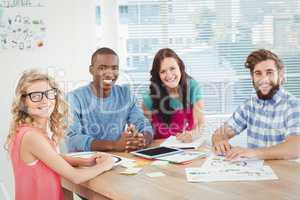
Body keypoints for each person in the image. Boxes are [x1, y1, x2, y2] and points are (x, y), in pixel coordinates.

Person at [5, 69, 114, 200]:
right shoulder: (31, 137)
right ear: (23, 102)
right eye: (35, 95)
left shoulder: (30, 131)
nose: (44, 100)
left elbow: (51, 158)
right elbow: (76, 177)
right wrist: (106, 165)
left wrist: (84, 161)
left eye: (49, 93)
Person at [212, 49, 300, 160]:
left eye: (269, 72)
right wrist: (219, 141)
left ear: (281, 75)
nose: (264, 79)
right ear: (252, 77)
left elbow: (296, 147)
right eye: (258, 73)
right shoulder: (249, 105)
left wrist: (253, 153)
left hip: (284, 174)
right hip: (256, 173)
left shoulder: (293, 106)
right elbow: (221, 133)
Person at [66, 47, 153, 152]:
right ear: (91, 70)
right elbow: (72, 139)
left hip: (119, 159)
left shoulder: (126, 95)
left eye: (114, 68)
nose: (109, 73)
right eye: (102, 68)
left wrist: (142, 139)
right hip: (84, 163)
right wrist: (115, 145)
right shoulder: (74, 98)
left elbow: (143, 124)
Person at [142, 48, 204, 142]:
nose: (169, 75)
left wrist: (193, 135)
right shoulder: (149, 98)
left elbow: (200, 124)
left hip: (186, 147)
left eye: (172, 68)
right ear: (158, 75)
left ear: (180, 67)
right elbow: (144, 131)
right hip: (159, 147)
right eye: (163, 71)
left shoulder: (192, 87)